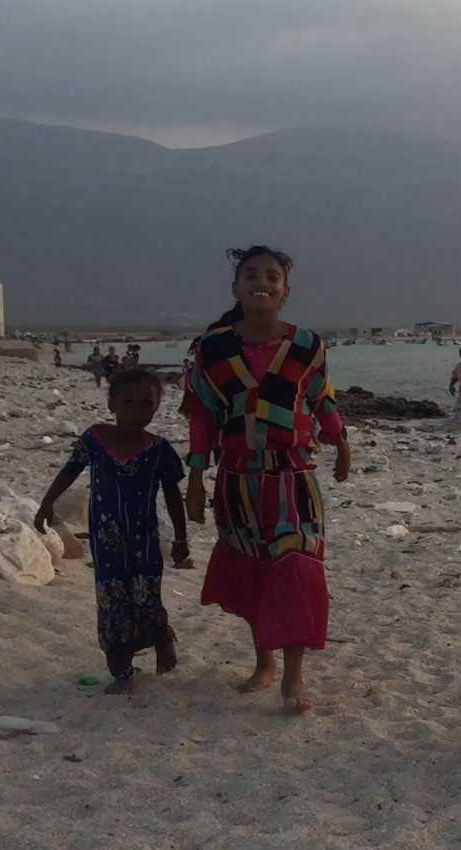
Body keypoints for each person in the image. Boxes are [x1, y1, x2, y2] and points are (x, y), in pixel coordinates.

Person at [185, 246, 350, 716]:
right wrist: (196, 476)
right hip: (237, 480)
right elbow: (202, 413)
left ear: (285, 292)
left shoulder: (307, 346)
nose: (262, 282)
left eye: (272, 276)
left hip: (294, 476)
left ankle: (293, 672)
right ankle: (264, 662)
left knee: (295, 566)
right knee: (255, 572)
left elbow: (322, 398)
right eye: (251, 275)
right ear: (236, 289)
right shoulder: (211, 349)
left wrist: (340, 442)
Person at [33, 368, 189, 695]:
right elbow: (70, 471)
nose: (137, 411)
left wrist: (180, 539)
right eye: (128, 403)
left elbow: (174, 497)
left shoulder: (158, 449)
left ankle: (162, 639)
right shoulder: (95, 439)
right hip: (106, 542)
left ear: (157, 406)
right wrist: (47, 503)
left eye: (146, 404)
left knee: (147, 595)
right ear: (112, 403)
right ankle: (122, 670)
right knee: (112, 600)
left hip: (144, 540)